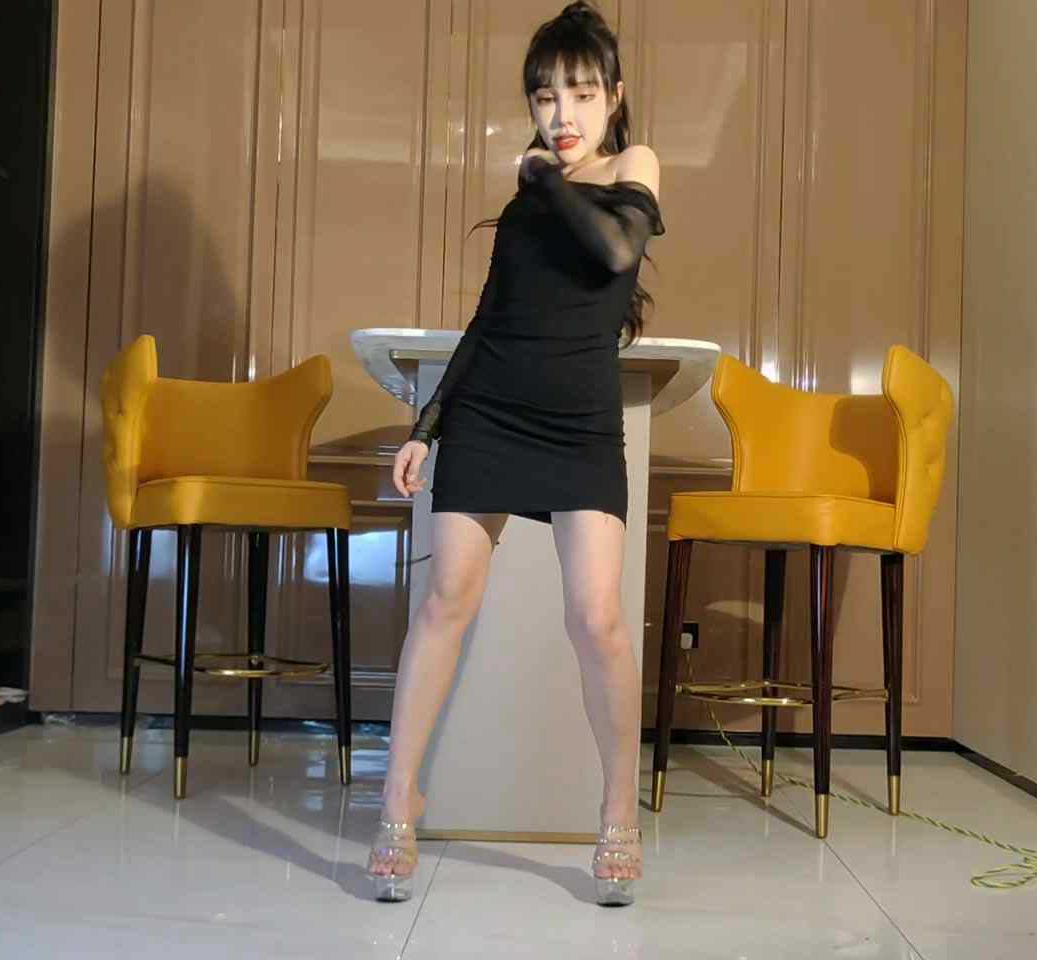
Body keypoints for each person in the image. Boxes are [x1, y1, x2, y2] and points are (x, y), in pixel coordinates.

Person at [366, 1, 664, 908]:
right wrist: (427, 427)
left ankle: (617, 813)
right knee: (445, 602)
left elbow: (615, 251)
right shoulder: (527, 199)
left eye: (581, 93)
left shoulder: (632, 170)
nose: (562, 115)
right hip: (491, 412)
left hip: (579, 425)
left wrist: (545, 179)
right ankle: (397, 803)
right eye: (545, 98)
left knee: (597, 619)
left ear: (614, 97)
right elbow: (487, 321)